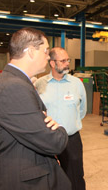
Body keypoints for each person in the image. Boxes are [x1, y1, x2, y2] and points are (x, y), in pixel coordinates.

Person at [0, 28, 71, 190]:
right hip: (25, 181)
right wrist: (59, 130)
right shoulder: (13, 87)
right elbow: (53, 141)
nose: (48, 56)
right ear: (31, 51)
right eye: (45, 51)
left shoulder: (14, 82)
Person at [35, 47, 87, 190]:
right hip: (47, 139)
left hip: (71, 140)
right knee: (49, 177)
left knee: (75, 177)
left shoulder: (77, 84)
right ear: (52, 63)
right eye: (63, 61)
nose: (67, 64)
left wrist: (71, 122)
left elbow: (82, 110)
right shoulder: (40, 84)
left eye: (68, 60)